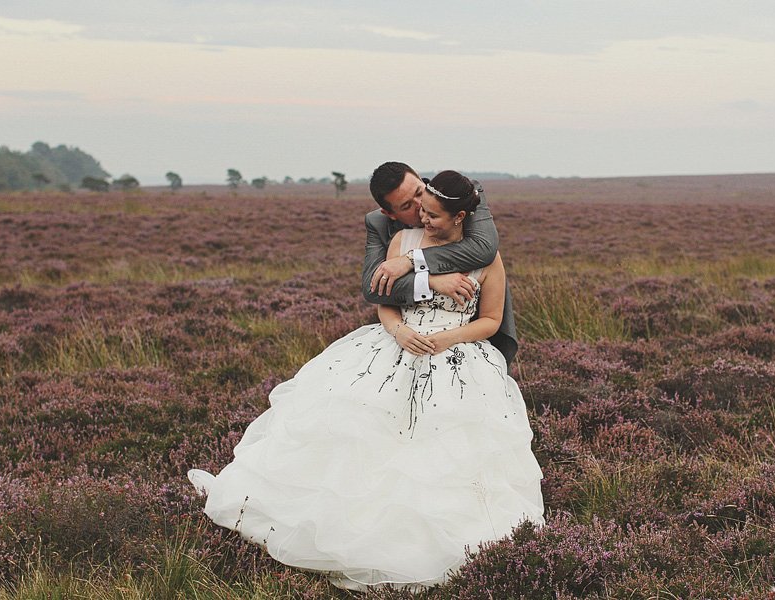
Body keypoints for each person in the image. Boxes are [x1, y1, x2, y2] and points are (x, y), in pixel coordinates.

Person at [188, 170, 544, 591]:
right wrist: (400, 331)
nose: (421, 220)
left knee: (444, 449)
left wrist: (446, 338)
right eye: (416, 211)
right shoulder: (400, 238)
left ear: (460, 215)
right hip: (394, 346)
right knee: (357, 433)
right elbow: (383, 301)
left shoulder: (487, 250)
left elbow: (489, 320)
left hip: (456, 354)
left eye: (429, 213)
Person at [364, 161, 518, 365]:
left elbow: (485, 249)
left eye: (419, 192)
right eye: (407, 206)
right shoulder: (396, 236)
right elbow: (374, 289)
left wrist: (411, 260)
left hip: (464, 347)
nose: (421, 206)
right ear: (390, 214)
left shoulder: (461, 196)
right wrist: (431, 282)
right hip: (401, 343)